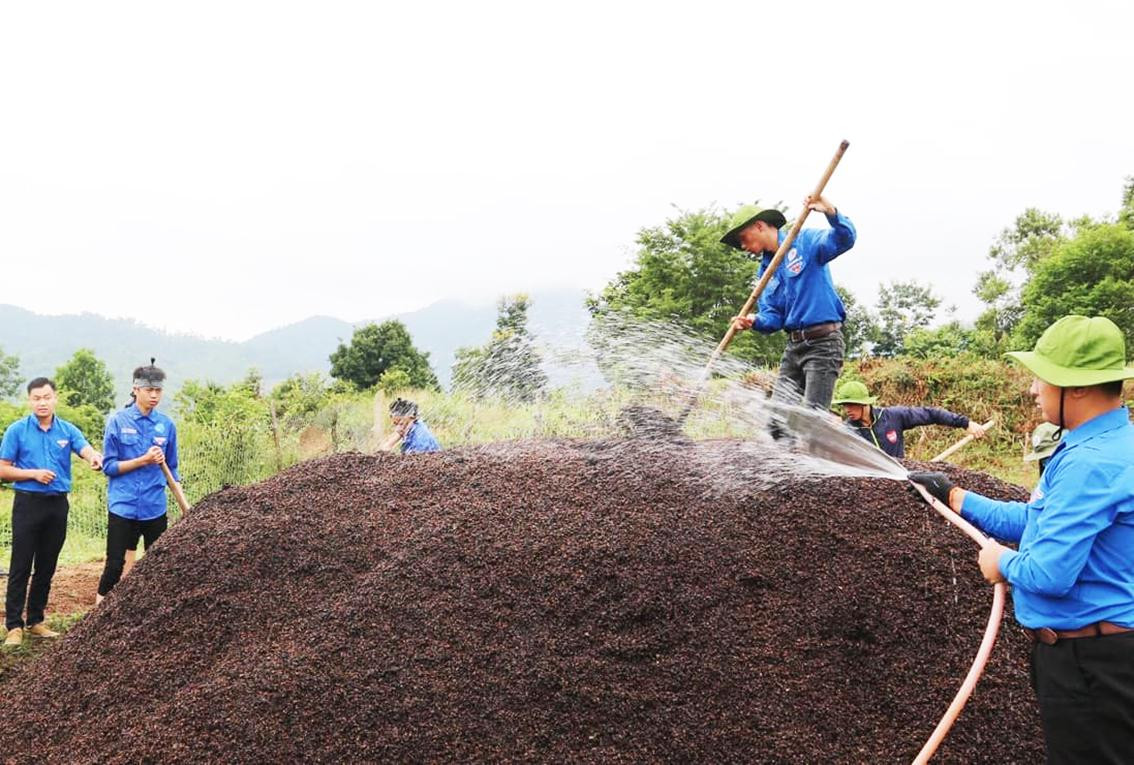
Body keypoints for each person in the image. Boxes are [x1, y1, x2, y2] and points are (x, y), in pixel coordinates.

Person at [909, 315, 1134, 762]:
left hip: (1090, 664)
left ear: (1080, 389)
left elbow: (1049, 574)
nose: (1034, 389)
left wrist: (1000, 563)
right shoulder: (1111, 444)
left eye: (1042, 379)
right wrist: (956, 497)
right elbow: (1038, 521)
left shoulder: (1089, 464)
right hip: (1100, 653)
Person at [726, 196, 857, 412]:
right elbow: (774, 316)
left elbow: (845, 239)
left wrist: (831, 212)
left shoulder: (805, 242)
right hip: (794, 347)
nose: (742, 246)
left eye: (743, 238)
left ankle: (816, 445)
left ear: (759, 226)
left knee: (812, 419)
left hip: (823, 343)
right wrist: (754, 320)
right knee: (778, 422)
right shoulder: (766, 272)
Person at [1, 378, 102, 647]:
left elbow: (85, 448)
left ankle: (36, 621)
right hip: (27, 503)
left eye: (46, 397)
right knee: (21, 565)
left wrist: (94, 458)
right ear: (29, 400)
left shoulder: (67, 430)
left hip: (57, 505)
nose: (42, 402)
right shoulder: (17, 431)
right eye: (37, 398)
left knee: (46, 565)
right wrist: (32, 474)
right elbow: (3, 468)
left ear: (55, 398)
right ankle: (13, 625)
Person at [96, 362, 182, 605]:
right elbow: (109, 467)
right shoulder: (118, 421)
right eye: (148, 390)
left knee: (157, 564)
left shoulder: (166, 425)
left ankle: (152, 615)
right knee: (115, 565)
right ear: (135, 390)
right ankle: (96, 619)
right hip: (123, 505)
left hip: (155, 506)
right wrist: (142, 460)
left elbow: (172, 469)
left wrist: (179, 492)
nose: (154, 395)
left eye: (158, 391)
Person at [830, 379, 986, 458]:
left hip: (900, 480)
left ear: (865, 404)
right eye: (844, 405)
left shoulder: (893, 416)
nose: (847, 410)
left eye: (851, 405)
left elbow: (931, 414)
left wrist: (966, 423)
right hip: (870, 489)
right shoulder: (848, 430)